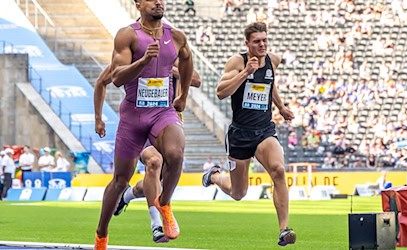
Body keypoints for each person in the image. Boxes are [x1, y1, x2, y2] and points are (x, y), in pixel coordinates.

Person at [94, 0, 193, 247]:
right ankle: (101, 234)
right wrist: (143, 63)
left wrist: (183, 95)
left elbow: (188, 60)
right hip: (133, 117)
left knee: (175, 153)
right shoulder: (128, 35)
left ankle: (164, 204)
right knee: (120, 181)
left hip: (163, 112)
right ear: (138, 4)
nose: (159, 2)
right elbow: (115, 78)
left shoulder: (176, 36)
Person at [202, 22, 296, 246]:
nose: (262, 44)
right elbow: (221, 92)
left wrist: (281, 107)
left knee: (279, 170)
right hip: (240, 135)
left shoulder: (273, 60)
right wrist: (246, 73)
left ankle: (284, 229)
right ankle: (214, 175)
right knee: (238, 193)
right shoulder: (238, 61)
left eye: (265, 40)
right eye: (257, 41)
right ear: (247, 43)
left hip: (264, 130)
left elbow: (269, 83)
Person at [95, 59, 201, 243]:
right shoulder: (130, 56)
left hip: (165, 122)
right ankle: (156, 225)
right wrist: (98, 118)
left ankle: (127, 196)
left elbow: (197, 80)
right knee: (154, 162)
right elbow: (103, 81)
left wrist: (173, 70)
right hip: (138, 123)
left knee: (154, 183)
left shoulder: (171, 53)